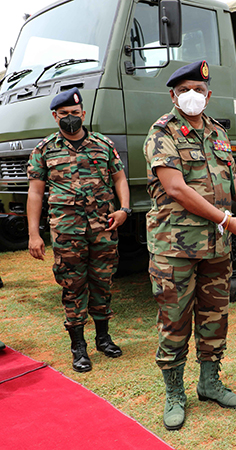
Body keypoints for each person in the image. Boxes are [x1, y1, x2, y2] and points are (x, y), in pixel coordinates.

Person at [143, 60, 236, 431]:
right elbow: (176, 188)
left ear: (208, 95)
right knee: (175, 320)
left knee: (215, 317)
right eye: (185, 90)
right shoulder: (161, 133)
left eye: (198, 90)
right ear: (173, 95)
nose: (192, 96)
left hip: (216, 247)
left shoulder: (216, 131)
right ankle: (174, 393)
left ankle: (209, 382)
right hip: (175, 248)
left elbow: (229, 176)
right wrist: (227, 219)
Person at [26, 88, 128, 373]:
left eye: (74, 113)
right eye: (64, 115)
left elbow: (119, 178)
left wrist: (125, 209)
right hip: (67, 231)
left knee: (103, 281)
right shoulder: (44, 150)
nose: (70, 118)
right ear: (55, 116)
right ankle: (78, 347)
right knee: (73, 286)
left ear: (83, 114)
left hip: (103, 226)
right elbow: (35, 194)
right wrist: (34, 234)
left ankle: (104, 338)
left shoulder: (103, 144)